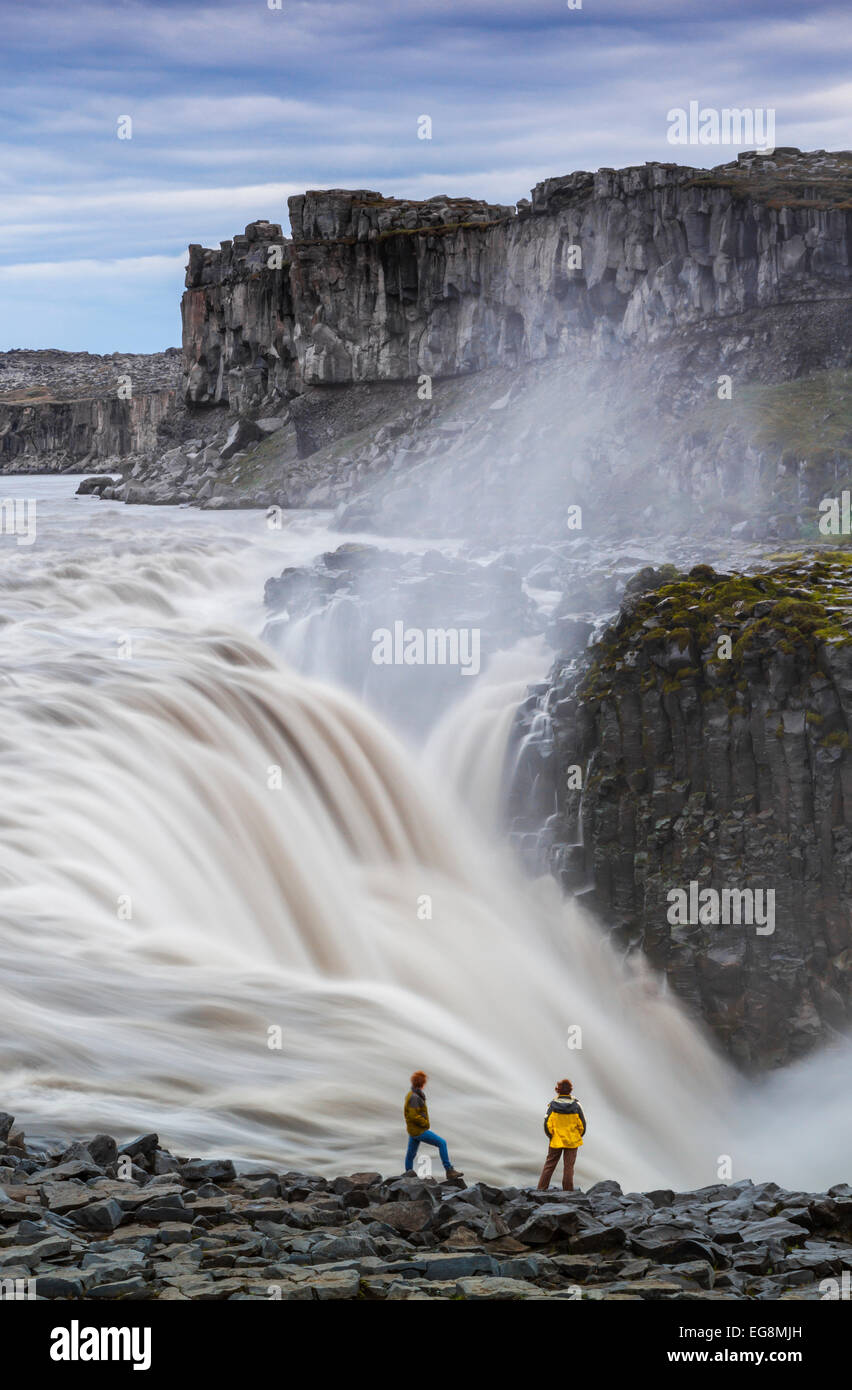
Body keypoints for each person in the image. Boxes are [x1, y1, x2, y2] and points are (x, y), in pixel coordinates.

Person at [404, 1070, 464, 1179]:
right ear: (422, 1083)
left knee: (411, 1154)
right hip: (418, 1130)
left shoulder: (412, 1094)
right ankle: (449, 1170)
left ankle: (408, 1174)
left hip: (413, 1130)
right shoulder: (415, 1097)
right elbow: (413, 1116)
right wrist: (425, 1123)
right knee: (442, 1143)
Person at [537, 1078, 585, 1191]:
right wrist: (577, 1136)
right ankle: (568, 1191)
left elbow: (547, 1124)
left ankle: (541, 1189)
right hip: (572, 1141)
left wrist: (551, 1136)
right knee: (569, 1167)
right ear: (570, 1090)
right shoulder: (576, 1106)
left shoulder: (553, 1106)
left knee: (549, 1165)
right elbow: (582, 1125)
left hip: (556, 1140)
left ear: (557, 1090)